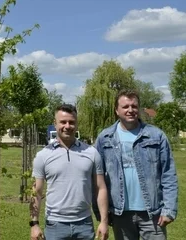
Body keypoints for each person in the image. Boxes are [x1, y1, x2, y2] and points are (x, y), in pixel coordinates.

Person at [94, 89, 178, 240]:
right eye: (125, 106)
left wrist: (169, 209)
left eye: (134, 106)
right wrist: (102, 214)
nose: (130, 110)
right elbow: (98, 179)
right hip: (120, 214)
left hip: (152, 213)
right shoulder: (104, 138)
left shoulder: (156, 136)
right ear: (117, 110)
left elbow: (168, 174)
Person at [30, 104, 109, 240]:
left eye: (71, 122)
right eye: (63, 122)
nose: (67, 126)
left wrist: (104, 221)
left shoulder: (91, 153)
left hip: (84, 224)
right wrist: (34, 224)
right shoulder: (43, 155)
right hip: (55, 225)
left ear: (77, 124)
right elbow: (36, 192)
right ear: (55, 124)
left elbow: (100, 188)